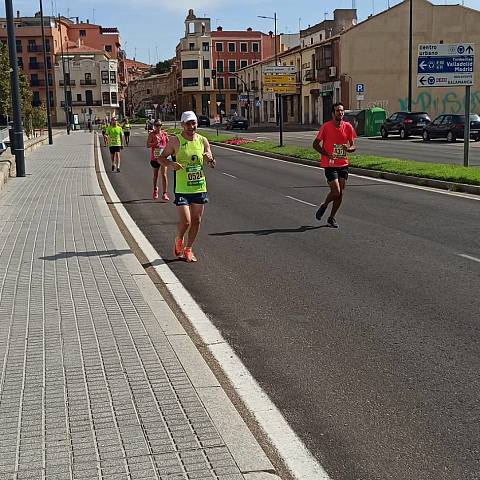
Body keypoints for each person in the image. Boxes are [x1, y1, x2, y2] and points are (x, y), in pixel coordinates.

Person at [158, 111, 215, 263]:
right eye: (188, 123)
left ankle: (188, 249)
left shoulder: (203, 141)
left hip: (199, 187)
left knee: (197, 221)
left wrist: (210, 160)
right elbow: (161, 158)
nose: (191, 126)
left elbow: (211, 160)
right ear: (182, 125)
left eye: (194, 123)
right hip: (182, 188)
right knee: (187, 221)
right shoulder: (175, 141)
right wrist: (171, 164)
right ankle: (179, 239)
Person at [312, 102, 356, 228]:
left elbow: (353, 145)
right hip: (329, 163)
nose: (340, 113)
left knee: (340, 193)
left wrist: (348, 149)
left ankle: (331, 218)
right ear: (333, 113)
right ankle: (324, 205)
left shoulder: (348, 127)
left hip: (343, 163)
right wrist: (327, 154)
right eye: (337, 111)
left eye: (342, 111)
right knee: (335, 191)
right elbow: (315, 144)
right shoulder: (326, 127)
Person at [146, 120, 169, 200]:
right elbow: (148, 145)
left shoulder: (164, 134)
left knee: (164, 175)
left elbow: (168, 144)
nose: (158, 127)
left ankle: (165, 193)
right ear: (154, 126)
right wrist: (154, 143)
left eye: (160, 125)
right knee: (156, 175)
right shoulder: (151, 134)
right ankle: (155, 190)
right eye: (157, 125)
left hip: (163, 157)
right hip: (155, 158)